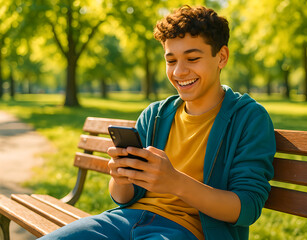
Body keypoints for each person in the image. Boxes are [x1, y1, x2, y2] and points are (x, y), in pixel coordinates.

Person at [39, 5, 275, 240]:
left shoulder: (248, 118)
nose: (180, 71)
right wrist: (120, 178)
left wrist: (176, 183)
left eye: (192, 58)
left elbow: (247, 208)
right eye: (171, 61)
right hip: (123, 221)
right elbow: (122, 198)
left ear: (221, 57)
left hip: (185, 231)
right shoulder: (154, 115)